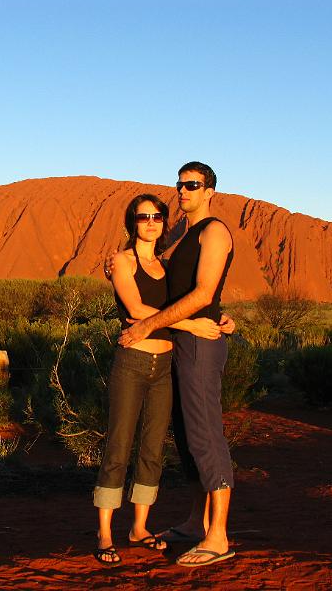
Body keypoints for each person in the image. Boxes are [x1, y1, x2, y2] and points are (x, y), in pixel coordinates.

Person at [94, 193, 226, 566]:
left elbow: (188, 298)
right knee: (118, 447)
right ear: (131, 223)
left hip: (164, 366)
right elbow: (136, 310)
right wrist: (190, 323)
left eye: (157, 216)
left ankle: (139, 528)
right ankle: (105, 533)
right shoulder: (121, 261)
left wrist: (221, 320)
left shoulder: (166, 266)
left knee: (152, 451)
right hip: (132, 363)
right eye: (142, 217)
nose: (150, 222)